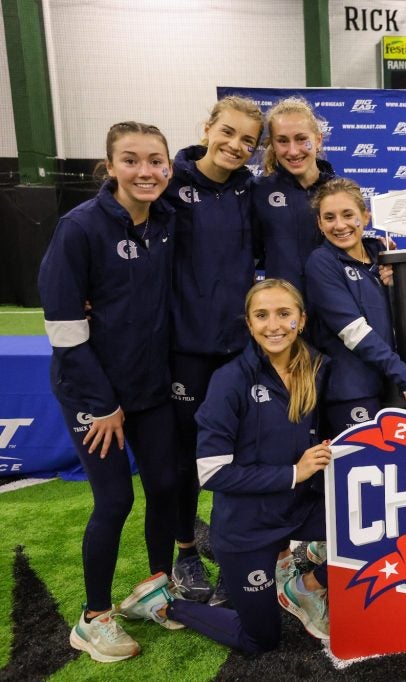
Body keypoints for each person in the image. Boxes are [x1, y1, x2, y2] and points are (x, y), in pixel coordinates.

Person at [116, 279, 333, 652]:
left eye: (284, 314)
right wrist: (295, 472)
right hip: (248, 528)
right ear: (249, 324)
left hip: (299, 510)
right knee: (260, 639)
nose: (274, 325)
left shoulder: (316, 366)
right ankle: (164, 604)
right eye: (261, 316)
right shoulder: (230, 380)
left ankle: (304, 586)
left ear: (302, 319)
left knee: (379, 530)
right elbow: (212, 473)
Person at [38, 121, 179, 662]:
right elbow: (65, 330)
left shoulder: (168, 219)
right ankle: (93, 617)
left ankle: (154, 591)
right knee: (115, 499)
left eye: (155, 160)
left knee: (166, 485)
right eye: (131, 160)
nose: (145, 171)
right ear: (109, 166)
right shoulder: (80, 228)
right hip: (92, 395)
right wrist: (102, 405)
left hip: (151, 388)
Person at [164, 95, 264, 602]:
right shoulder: (170, 184)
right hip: (184, 351)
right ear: (207, 128)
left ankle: (230, 552)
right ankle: (185, 553)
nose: (235, 145)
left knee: (237, 457)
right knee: (186, 459)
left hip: (237, 352)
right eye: (228, 132)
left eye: (248, 140)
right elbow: (118, 213)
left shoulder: (251, 190)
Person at [305, 178, 406, 435]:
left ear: (365, 217)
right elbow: (355, 334)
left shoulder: (383, 256)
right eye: (329, 217)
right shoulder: (321, 263)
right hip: (354, 393)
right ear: (320, 224)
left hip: (395, 387)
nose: (340, 225)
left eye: (348, 215)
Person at [252, 96, 335, 297]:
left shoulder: (339, 191)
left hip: (334, 312)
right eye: (282, 141)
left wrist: (375, 248)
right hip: (283, 313)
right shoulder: (257, 192)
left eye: (301, 139)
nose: (293, 151)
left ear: (318, 139)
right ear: (272, 144)